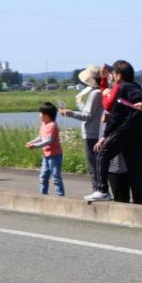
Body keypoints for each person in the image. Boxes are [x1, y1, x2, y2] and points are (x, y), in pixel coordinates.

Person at [89, 60, 142, 204]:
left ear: (118, 75)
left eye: (113, 73)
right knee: (135, 166)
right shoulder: (136, 87)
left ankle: (102, 190)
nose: (112, 76)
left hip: (125, 129)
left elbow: (110, 108)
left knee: (102, 155)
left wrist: (105, 136)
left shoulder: (120, 87)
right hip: (139, 131)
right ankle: (140, 199)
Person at [60, 64, 104, 196]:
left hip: (92, 134)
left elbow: (86, 116)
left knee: (93, 166)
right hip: (99, 132)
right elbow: (88, 111)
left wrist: (69, 113)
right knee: (98, 164)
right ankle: (100, 190)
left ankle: (98, 190)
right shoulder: (101, 92)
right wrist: (79, 102)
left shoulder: (95, 94)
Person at [25, 101, 64, 197]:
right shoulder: (43, 124)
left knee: (56, 176)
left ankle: (60, 195)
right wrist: (32, 142)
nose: (40, 115)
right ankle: (43, 195)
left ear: (47, 115)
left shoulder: (52, 125)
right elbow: (41, 137)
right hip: (46, 155)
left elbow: (48, 141)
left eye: (41, 113)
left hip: (55, 155)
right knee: (43, 176)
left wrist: (35, 146)